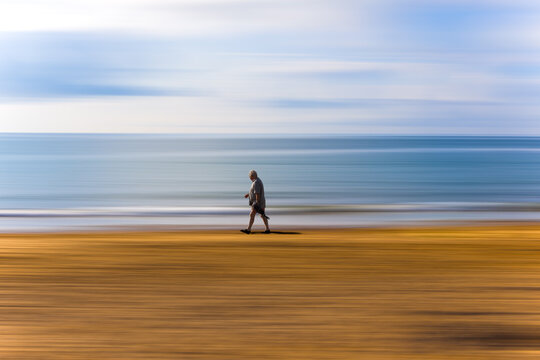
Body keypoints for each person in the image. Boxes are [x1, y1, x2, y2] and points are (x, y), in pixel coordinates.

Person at [241, 170, 270, 234]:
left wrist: (257, 203)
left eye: (250, 176)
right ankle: (267, 229)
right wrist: (248, 194)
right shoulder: (257, 181)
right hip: (260, 202)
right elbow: (253, 191)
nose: (250, 178)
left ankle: (248, 230)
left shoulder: (256, 182)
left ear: (252, 176)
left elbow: (257, 193)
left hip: (257, 203)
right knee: (262, 215)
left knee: (252, 215)